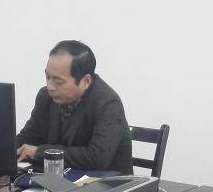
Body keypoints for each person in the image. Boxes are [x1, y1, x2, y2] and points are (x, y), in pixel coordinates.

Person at [15, 40, 133, 174]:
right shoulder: (46, 97)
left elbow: (97, 158)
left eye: (59, 82)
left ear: (85, 81)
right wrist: (2, 151)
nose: (50, 87)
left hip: (106, 183)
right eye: (47, 77)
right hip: (59, 180)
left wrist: (39, 152)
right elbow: (27, 137)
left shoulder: (108, 103)